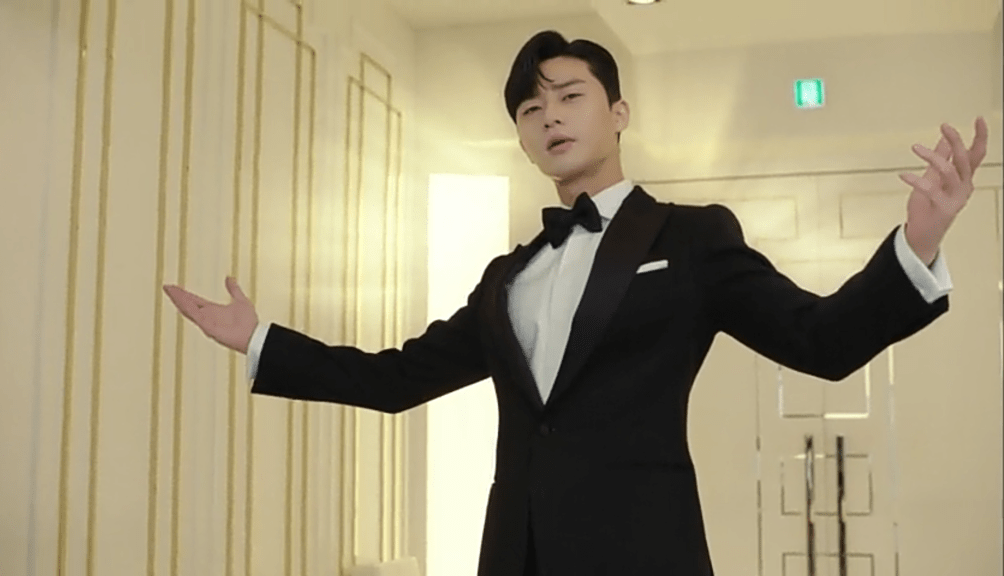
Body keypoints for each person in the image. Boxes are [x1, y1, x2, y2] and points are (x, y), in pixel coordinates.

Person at [164, 30, 989, 576]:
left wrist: (916, 244)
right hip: (516, 557)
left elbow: (821, 340)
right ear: (523, 139)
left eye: (568, 96)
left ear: (618, 111)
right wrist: (261, 340)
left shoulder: (692, 238)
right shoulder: (505, 278)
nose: (549, 117)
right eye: (531, 109)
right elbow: (395, 378)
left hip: (643, 553)